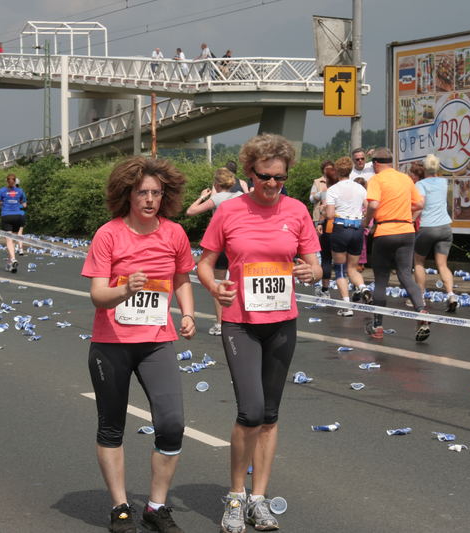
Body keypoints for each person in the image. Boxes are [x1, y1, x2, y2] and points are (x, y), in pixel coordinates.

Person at [196, 133, 321, 533]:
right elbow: (205, 263)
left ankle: (259, 499)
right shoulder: (229, 211)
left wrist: (310, 271)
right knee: (249, 411)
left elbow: (316, 266)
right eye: (265, 177)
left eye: (280, 178)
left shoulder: (298, 210)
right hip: (240, 323)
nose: (272, 185)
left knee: (268, 415)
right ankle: (235, 496)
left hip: (282, 321)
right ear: (250, 173)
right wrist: (214, 287)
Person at [82, 156, 195, 533]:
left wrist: (188, 313)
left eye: (156, 193)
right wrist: (123, 289)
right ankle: (120, 507)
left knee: (172, 424)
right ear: (127, 194)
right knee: (111, 427)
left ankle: (156, 506)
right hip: (112, 343)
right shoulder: (109, 234)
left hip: (157, 342)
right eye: (142, 192)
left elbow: (181, 278)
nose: (149, 200)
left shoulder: (174, 234)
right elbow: (98, 295)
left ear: (166, 196)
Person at [363, 147, 428, 341]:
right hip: (407, 231)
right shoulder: (405, 179)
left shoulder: (376, 179)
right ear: (391, 162)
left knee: (381, 278)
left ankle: (378, 325)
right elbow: (420, 204)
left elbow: (373, 205)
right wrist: (404, 212)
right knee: (405, 275)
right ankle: (422, 311)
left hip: (385, 231)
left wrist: (366, 223)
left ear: (375, 163)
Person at [186, 167, 244, 336]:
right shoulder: (241, 196)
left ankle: (220, 323)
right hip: (238, 245)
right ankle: (239, 319)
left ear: (217, 184)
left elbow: (191, 211)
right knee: (237, 282)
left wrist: (203, 196)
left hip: (221, 246)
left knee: (218, 284)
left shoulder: (217, 198)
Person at [325, 156, 371, 315]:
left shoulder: (332, 190)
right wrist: (365, 221)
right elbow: (368, 206)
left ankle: (347, 306)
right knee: (353, 268)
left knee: (339, 270)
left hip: (340, 228)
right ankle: (363, 287)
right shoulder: (360, 188)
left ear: (337, 172)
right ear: (351, 170)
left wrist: (326, 210)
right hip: (357, 229)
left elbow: (330, 215)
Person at [412, 154, 458, 312]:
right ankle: (451, 294)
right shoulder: (444, 182)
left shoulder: (421, 184)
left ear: (424, 168)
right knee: (442, 265)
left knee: (418, 262)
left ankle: (420, 297)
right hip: (445, 226)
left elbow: (420, 205)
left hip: (428, 227)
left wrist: (410, 220)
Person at [309, 160, 337, 297]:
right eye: (326, 169)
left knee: (328, 255)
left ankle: (325, 287)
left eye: (331, 169)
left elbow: (326, 207)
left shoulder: (336, 184)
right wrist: (320, 195)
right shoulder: (317, 182)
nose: (328, 171)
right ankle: (321, 283)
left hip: (328, 221)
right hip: (319, 218)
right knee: (320, 252)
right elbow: (311, 198)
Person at [0, 174, 27, 273]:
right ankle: (10, 262)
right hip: (18, 216)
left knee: (9, 240)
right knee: (15, 238)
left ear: (7, 181)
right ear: (15, 181)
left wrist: (3, 203)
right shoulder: (20, 191)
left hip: (7, 216)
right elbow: (24, 205)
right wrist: (16, 202)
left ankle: (13, 259)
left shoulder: (2, 190)